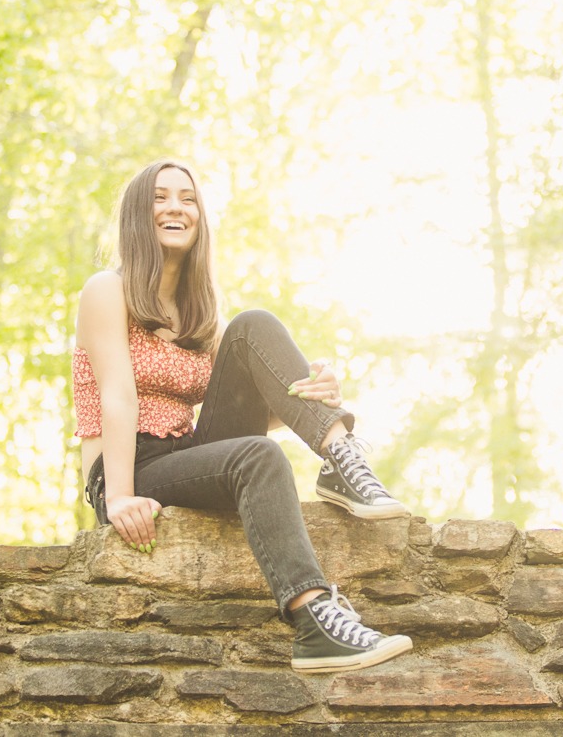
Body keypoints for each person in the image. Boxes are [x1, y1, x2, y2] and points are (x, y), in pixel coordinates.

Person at [72, 159, 413, 673]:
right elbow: (118, 394)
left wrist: (317, 397)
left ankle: (340, 454)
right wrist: (119, 495)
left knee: (253, 325)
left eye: (187, 199)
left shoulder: (199, 311)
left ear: (199, 218)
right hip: (128, 466)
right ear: (137, 216)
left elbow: (248, 407)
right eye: (160, 197)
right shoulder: (107, 289)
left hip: (185, 454)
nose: (175, 208)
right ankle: (314, 619)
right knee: (260, 457)